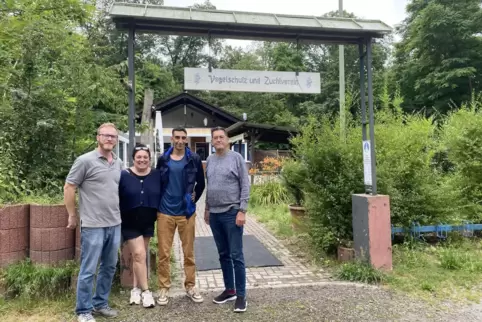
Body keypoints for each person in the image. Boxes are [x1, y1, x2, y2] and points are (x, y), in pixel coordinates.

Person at [64, 123, 123, 322]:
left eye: (113, 136)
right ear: (98, 137)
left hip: (114, 223)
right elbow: (69, 187)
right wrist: (72, 215)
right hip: (92, 225)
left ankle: (100, 304)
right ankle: (83, 310)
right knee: (89, 269)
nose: (109, 139)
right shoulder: (84, 161)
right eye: (105, 135)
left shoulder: (118, 162)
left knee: (109, 267)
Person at [155, 127, 205, 306]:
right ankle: (163, 288)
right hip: (165, 212)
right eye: (177, 137)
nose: (180, 140)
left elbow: (201, 183)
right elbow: (157, 182)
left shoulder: (194, 159)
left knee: (189, 253)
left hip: (186, 213)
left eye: (183, 138)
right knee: (163, 254)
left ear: (186, 139)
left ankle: (190, 286)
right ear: (172, 138)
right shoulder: (163, 159)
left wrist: (194, 198)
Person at [204, 126, 250, 313]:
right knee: (223, 254)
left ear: (227, 139)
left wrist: (242, 211)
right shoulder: (210, 159)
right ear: (212, 141)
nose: (218, 140)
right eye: (215, 138)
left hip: (232, 212)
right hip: (214, 214)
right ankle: (229, 290)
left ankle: (241, 295)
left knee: (236, 255)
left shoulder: (236, 158)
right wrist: (207, 209)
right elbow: (210, 186)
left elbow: (245, 186)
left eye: (221, 137)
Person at [118, 143, 161, 308]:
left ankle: (135, 289)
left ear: (149, 159)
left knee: (139, 258)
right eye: (139, 157)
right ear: (133, 158)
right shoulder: (124, 175)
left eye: (145, 157)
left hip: (148, 221)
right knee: (139, 254)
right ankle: (146, 292)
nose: (142, 160)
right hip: (129, 221)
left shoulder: (157, 175)